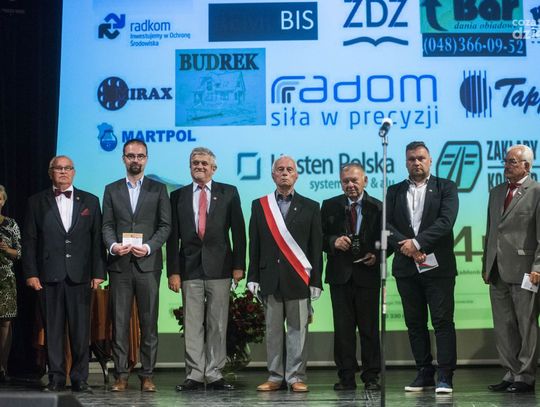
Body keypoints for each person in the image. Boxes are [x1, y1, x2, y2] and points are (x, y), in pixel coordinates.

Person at [22, 156, 105, 392]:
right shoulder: (36, 202)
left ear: (74, 172)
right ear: (50, 172)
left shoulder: (90, 200)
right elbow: (29, 241)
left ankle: (80, 378)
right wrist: (31, 273)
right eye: (58, 168)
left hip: (81, 276)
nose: (63, 172)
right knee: (53, 330)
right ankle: (56, 377)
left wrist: (98, 272)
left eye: (67, 168)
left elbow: (97, 239)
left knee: (80, 331)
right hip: (49, 276)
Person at [167, 147, 246, 391]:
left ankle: (214, 373)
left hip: (221, 268)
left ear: (214, 168)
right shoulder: (177, 196)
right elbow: (173, 237)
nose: (199, 166)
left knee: (217, 324)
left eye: (203, 163)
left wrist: (238, 266)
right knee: (192, 324)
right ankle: (194, 374)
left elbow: (239, 232)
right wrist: (173, 271)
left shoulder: (229, 192)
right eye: (195, 162)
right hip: (189, 268)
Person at [386, 141, 458, 394]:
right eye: (411, 159)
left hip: (438, 267)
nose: (416, 162)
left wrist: (416, 243)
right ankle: (424, 372)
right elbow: (386, 226)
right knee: (415, 323)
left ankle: (445, 376)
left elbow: (446, 222)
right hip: (406, 268)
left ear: (430, 160)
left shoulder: (446, 187)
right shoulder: (394, 191)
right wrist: (408, 248)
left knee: (442, 321)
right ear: (405, 162)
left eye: (421, 158)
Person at [247, 155, 322, 392]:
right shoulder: (260, 205)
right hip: (269, 278)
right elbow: (254, 244)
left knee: (298, 331)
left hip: (299, 279)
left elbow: (316, 248)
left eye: (289, 169)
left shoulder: (311, 206)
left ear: (296, 175)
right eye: (280, 169)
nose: (285, 173)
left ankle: (296, 377)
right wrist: (252, 276)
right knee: (273, 332)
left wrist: (316, 280)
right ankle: (275, 377)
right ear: (273, 175)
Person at [102, 140, 171, 392]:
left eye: (140, 156)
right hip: (119, 265)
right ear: (123, 158)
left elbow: (165, 225)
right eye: (131, 156)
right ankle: (121, 375)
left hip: (148, 264)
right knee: (119, 322)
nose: (135, 160)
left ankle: (147, 375)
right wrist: (113, 246)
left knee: (149, 323)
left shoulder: (158, 189)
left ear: (146, 159)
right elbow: (107, 225)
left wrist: (150, 247)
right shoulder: (111, 189)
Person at [482, 144, 540, 393]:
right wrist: (486, 264)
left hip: (526, 270)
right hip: (497, 269)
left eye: (512, 162)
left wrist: (538, 266)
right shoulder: (496, 192)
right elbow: (491, 230)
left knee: (526, 324)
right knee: (504, 325)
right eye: (505, 161)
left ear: (526, 165)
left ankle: (525, 376)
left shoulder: (536, 191)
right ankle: (511, 372)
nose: (506, 166)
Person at [321, 164, 382, 391]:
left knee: (369, 329)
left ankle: (371, 376)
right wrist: (333, 242)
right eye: (345, 181)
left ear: (365, 180)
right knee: (343, 330)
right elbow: (319, 237)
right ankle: (346, 377)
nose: (350, 185)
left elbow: (387, 240)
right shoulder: (329, 205)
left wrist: (376, 255)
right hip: (340, 276)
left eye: (354, 180)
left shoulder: (378, 207)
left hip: (368, 275)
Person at [0, 185, 21, 382]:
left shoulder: (11, 224)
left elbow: (19, 252)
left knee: (5, 322)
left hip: (5, 279)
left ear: (4, 201)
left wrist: (7, 249)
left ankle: (2, 367)